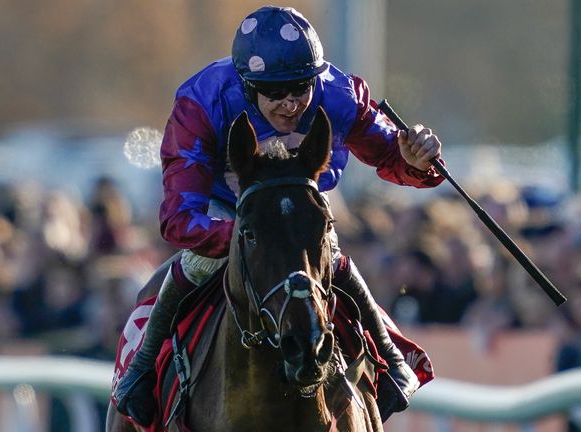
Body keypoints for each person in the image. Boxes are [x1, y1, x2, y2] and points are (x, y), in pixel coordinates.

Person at [114, 6, 444, 426]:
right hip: (229, 213)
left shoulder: (339, 94)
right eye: (275, 93)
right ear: (248, 87)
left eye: (301, 88)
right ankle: (140, 369)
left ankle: (391, 359)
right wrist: (247, 236)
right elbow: (179, 218)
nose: (291, 104)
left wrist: (416, 159)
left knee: (330, 253)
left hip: (298, 212)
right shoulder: (201, 103)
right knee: (195, 263)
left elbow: (390, 156)